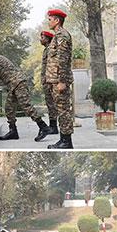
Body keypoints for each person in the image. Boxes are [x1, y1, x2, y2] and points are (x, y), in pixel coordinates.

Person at [44, 9, 74, 149]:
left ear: (57, 20)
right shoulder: (57, 36)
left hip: (59, 81)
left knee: (63, 111)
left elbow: (63, 59)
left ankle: (66, 141)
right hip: (54, 80)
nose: (48, 21)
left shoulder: (62, 35)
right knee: (60, 110)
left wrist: (62, 81)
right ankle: (63, 140)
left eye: (50, 19)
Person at [40, 30, 59, 135]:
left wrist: (49, 80)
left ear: (47, 39)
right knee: (49, 103)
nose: (40, 39)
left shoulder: (51, 49)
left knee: (52, 104)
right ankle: (53, 126)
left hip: (50, 81)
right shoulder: (46, 50)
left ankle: (54, 127)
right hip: (46, 81)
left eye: (42, 37)